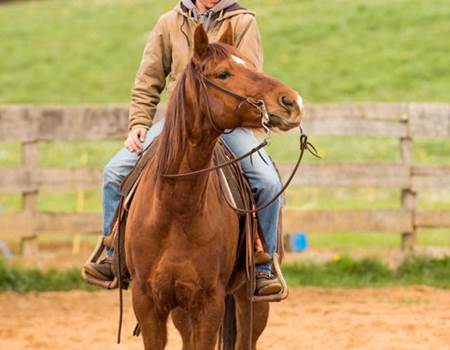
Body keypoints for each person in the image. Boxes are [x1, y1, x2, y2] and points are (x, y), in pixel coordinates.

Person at [84, 0, 283, 296]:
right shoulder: (169, 23)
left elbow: (250, 79)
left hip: (228, 123)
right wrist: (139, 123)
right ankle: (113, 253)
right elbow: (149, 79)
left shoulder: (243, 23)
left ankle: (262, 265)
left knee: (268, 183)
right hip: (178, 123)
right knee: (115, 173)